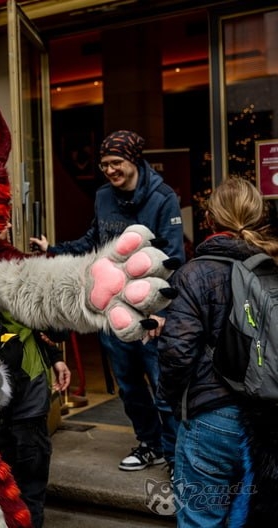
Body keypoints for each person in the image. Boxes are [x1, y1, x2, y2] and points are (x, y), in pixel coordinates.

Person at [30, 129, 185, 473]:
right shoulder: (103, 197)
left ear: (133, 160)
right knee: (129, 386)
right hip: (113, 311)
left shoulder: (162, 199)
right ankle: (150, 445)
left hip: (150, 313)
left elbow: (174, 259)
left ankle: (177, 457)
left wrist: (162, 311)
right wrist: (53, 250)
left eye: (116, 162)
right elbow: (93, 241)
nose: (110, 170)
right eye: (104, 165)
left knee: (163, 388)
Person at [157, 177, 278, 527]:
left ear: (210, 219)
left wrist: (176, 404)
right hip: (267, 421)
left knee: (201, 519)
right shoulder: (272, 267)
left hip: (212, 416)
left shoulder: (194, 273)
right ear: (258, 216)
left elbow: (177, 354)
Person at [0, 313, 71, 528]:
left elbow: (46, 326)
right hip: (17, 402)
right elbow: (55, 325)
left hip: (20, 400)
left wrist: (55, 355)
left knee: (16, 492)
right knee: (25, 491)